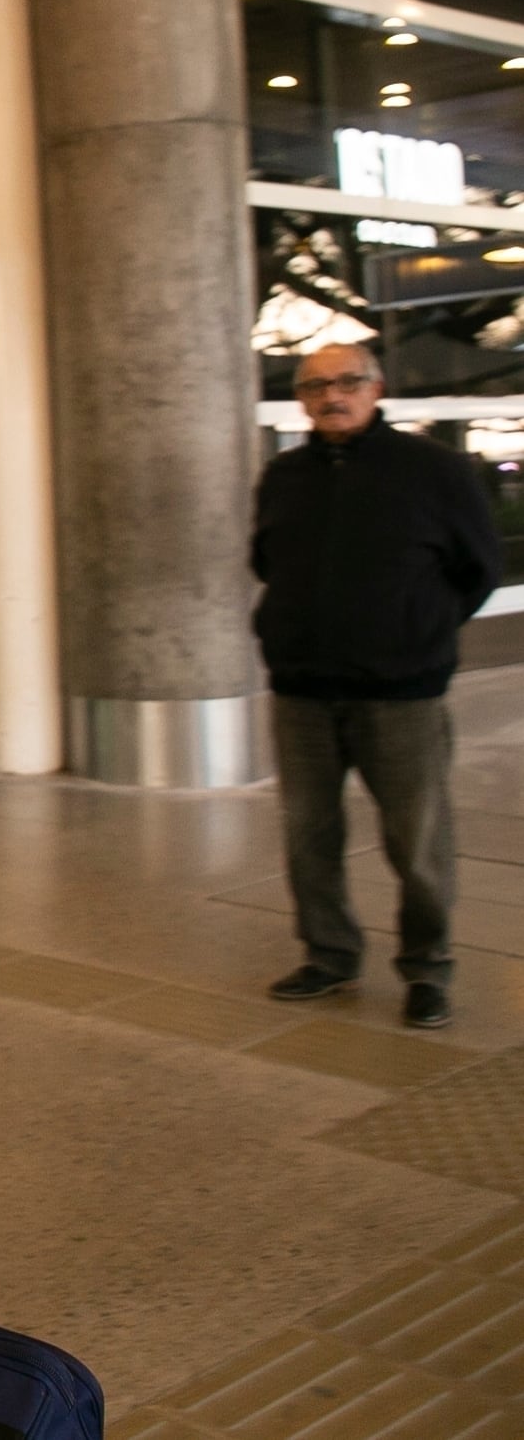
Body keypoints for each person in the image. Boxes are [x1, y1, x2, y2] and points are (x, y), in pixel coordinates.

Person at [253, 341, 500, 1029]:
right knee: (308, 835)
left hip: (401, 693)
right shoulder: (282, 476)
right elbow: (267, 558)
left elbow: (477, 569)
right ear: (300, 399)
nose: (331, 396)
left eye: (346, 382)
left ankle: (427, 970)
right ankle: (328, 956)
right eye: (314, 386)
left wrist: (416, 631)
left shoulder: (437, 471)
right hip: (302, 689)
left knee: (416, 842)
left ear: (375, 387)